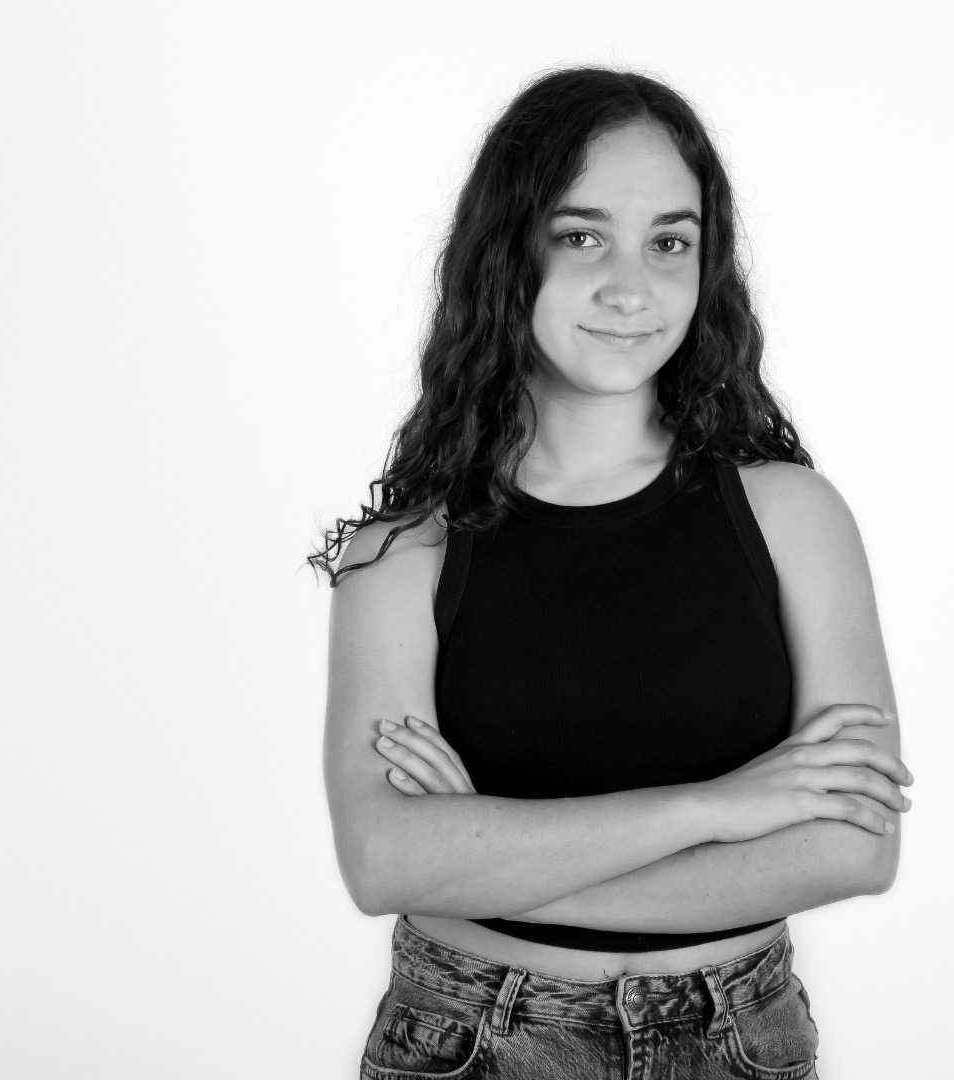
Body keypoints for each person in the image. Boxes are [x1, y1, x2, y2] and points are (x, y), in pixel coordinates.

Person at [312, 65, 913, 1080]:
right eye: (581, 236)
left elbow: (853, 847)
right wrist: (716, 808)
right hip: (475, 1041)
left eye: (668, 242)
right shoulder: (403, 553)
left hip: (739, 1043)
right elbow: (382, 862)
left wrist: (484, 861)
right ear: (507, 253)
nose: (631, 288)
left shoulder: (791, 516)